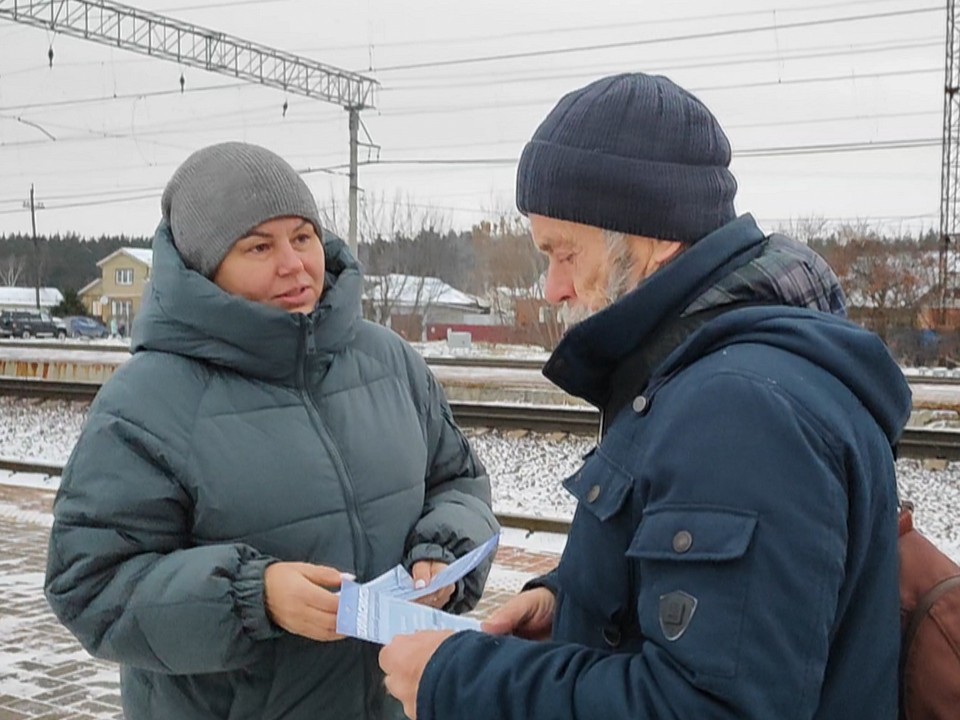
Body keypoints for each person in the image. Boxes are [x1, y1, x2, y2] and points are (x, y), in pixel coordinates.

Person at [378, 72, 911, 720]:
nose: (552, 289)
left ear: (655, 236)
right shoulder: (708, 374)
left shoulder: (741, 412)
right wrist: (571, 603)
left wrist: (460, 683)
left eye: (563, 253)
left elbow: (710, 706)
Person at [44, 142, 498, 720]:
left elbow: (458, 481)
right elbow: (89, 584)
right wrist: (251, 597)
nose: (294, 264)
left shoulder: (388, 360)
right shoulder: (146, 401)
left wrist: (443, 552)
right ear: (205, 266)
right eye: (259, 246)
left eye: (303, 237)